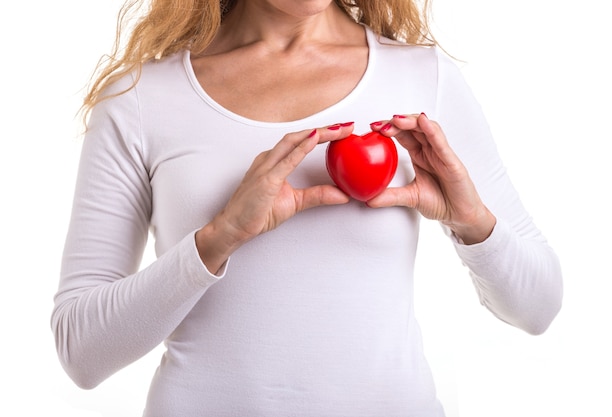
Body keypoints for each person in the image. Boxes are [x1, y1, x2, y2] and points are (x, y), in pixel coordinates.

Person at [51, 0, 563, 415]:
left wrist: (470, 221)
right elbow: (83, 353)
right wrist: (220, 236)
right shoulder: (141, 99)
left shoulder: (423, 79)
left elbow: (538, 309)